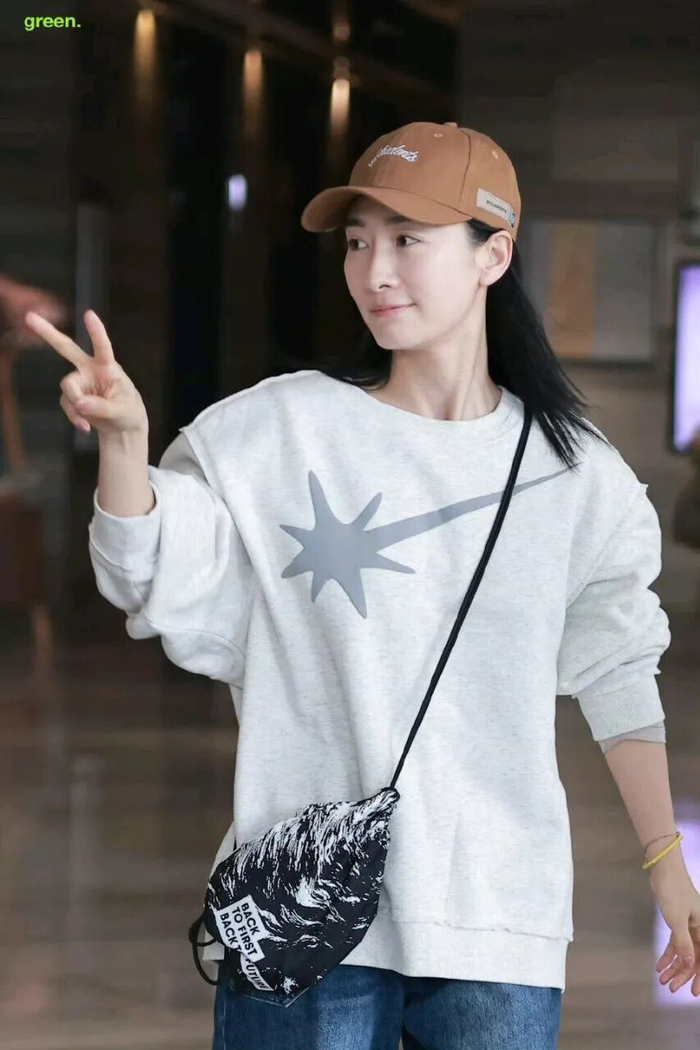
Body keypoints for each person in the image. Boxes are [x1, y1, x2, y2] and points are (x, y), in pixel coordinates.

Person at [24, 121, 699, 1050]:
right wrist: (125, 443)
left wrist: (668, 863)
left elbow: (619, 671)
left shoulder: (576, 477)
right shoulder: (278, 431)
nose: (375, 271)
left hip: (497, 916)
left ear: (494, 255)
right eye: (356, 242)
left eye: (407, 240)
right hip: (306, 911)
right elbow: (152, 570)